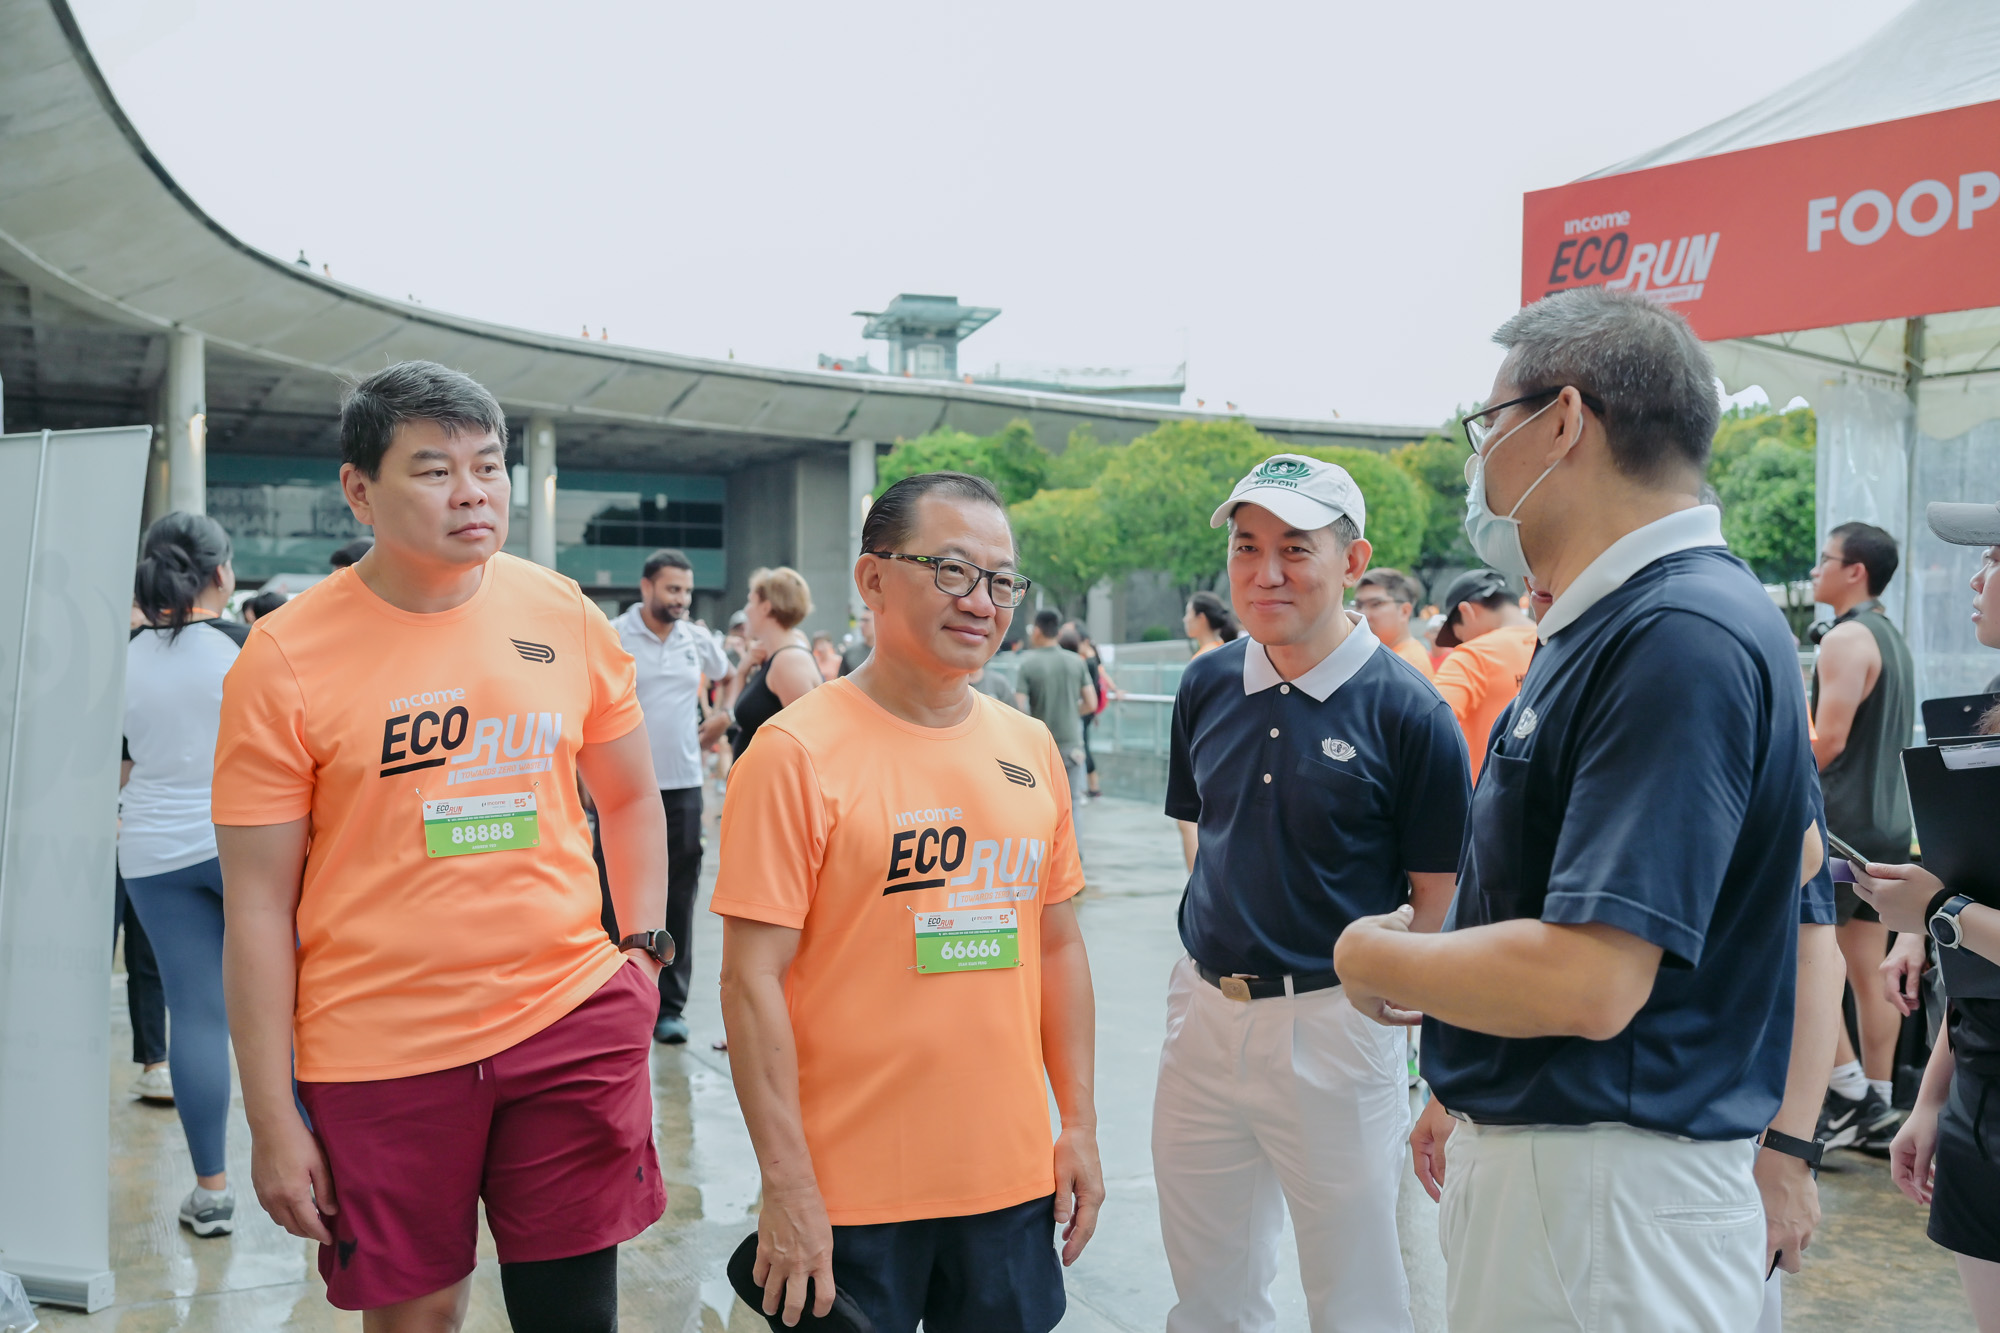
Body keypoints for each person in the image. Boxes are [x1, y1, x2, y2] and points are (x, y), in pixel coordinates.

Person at [1334, 288, 1817, 1333]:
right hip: (1585, 1190)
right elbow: (1799, 863)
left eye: (1487, 425)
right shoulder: (1639, 620)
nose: (1480, 462)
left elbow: (1591, 978)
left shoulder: (1674, 633)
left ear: (1560, 422)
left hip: (1599, 1195)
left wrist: (1375, 958)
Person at [213, 361, 670, 1331]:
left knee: (573, 1313)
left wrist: (641, 953)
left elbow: (632, 796)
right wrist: (270, 1116)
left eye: (489, 466)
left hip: (569, 1018)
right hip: (380, 1048)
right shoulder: (284, 656)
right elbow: (255, 903)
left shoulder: (561, 613)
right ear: (359, 489)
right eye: (434, 470)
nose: (472, 492)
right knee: (416, 1318)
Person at [714, 470, 1101, 1333]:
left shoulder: (1030, 746)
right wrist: (787, 1182)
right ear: (873, 578)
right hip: (848, 1192)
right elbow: (749, 982)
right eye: (953, 569)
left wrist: (1077, 1123)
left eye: (1003, 581)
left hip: (1008, 1184)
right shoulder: (794, 754)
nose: (982, 601)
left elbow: (1056, 945)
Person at [1153, 453, 1469, 1333]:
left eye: (1296, 548)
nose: (1266, 572)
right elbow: (1203, 827)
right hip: (1204, 1014)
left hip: (1337, 1025)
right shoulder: (1205, 683)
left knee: (1356, 1293)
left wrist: (1432, 1060)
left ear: (1353, 561)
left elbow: (1440, 897)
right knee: (1207, 1290)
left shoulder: (1411, 712)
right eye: (1246, 547)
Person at [1855, 498, 2000, 1327]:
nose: (1975, 578)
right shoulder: (1992, 704)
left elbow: (1966, 911)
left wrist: (1940, 909)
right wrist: (1935, 1098)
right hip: (1981, 1080)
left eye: (1995, 557)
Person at [122, 512, 250, 1236]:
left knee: (195, 1015)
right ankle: (325, 1173)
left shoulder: (124, 656)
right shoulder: (243, 645)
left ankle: (211, 1195)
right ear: (221, 573)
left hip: (152, 851)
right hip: (244, 843)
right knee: (297, 1011)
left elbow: (121, 763)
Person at [1809, 520, 1917, 1153]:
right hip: (1886, 824)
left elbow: (1827, 740)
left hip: (1841, 827)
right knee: (1869, 968)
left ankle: (1849, 1092)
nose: (1815, 572)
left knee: (1806, 957)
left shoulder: (1846, 637)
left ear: (1855, 571)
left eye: (1824, 560)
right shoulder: (1890, 637)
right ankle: (1878, 1104)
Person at [613, 548, 733, 1045]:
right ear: (647, 587)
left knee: (680, 895)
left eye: (686, 590)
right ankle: (616, 999)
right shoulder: (615, 635)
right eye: (672, 589)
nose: (681, 599)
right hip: (623, 788)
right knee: (615, 893)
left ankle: (670, 1007)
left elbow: (727, 673)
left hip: (683, 784)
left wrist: (721, 716)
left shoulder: (696, 639)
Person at [1429, 568, 1538, 783]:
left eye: (1459, 636)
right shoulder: (1559, 642)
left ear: (1467, 611)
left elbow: (1426, 726)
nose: (1462, 643)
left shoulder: (1472, 656)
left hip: (1493, 793)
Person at [1015, 609, 1096, 829]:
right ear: (1057, 632)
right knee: (1072, 803)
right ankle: (1075, 849)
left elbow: (1020, 707)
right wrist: (1071, 711)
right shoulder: (1076, 661)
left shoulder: (1028, 664)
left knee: (1040, 803)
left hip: (1041, 746)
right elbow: (1091, 703)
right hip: (1072, 745)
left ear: (1037, 631)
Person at [730, 566, 821, 760]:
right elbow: (740, 717)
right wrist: (742, 672)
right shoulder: (778, 654)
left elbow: (811, 740)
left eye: (750, 601)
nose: (746, 610)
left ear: (765, 607)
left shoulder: (788, 661)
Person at [115, 871, 171, 1103]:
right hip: (95, 855)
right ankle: (76, 1054)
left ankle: (154, 1061)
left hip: (145, 855)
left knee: (148, 956)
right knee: (92, 961)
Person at [1353, 568, 1434, 680]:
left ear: (1404, 611)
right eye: (1359, 605)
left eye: (1375, 604)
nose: (1363, 614)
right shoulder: (1390, 659)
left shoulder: (1404, 665)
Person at [1183, 590, 1237, 656]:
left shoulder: (1203, 657)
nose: (1185, 619)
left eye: (1188, 613)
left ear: (1201, 618)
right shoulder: (1223, 648)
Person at [838, 606, 874, 675]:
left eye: (866, 620)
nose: (861, 625)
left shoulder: (888, 654)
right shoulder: (850, 654)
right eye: (861, 620)